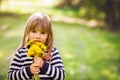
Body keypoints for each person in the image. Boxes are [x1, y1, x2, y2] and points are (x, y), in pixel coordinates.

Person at [8, 12, 65, 80]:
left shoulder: (52, 52)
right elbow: (11, 77)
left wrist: (44, 65)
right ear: (27, 32)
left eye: (43, 33)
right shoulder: (21, 52)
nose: (38, 36)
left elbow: (61, 76)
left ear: (48, 35)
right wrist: (29, 70)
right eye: (34, 31)